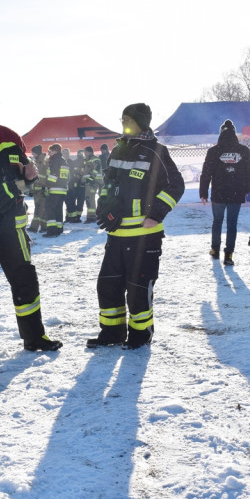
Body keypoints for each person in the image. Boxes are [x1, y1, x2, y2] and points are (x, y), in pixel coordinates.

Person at [0, 79, 62, 355]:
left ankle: (34, 337)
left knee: (25, 279)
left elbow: (26, 174)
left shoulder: (10, 136)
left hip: (12, 224)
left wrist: (27, 178)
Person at [88, 103, 185, 349]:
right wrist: (105, 208)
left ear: (142, 122)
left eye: (129, 119)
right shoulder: (117, 150)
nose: (124, 123)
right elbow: (107, 184)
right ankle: (112, 333)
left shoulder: (157, 151)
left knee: (138, 288)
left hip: (145, 236)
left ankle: (140, 335)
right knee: (108, 284)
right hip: (117, 235)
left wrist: (156, 213)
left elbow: (176, 185)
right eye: (122, 119)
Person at [199, 120, 250, 266]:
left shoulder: (214, 151)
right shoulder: (243, 151)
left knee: (217, 222)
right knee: (232, 224)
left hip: (218, 193)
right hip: (236, 193)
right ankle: (229, 255)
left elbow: (206, 173)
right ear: (234, 134)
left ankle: (215, 250)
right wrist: (246, 189)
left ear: (221, 134)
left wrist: (203, 192)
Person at [43, 144, 69, 237]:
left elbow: (53, 176)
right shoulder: (63, 161)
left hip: (54, 189)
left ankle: (51, 231)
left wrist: (47, 186)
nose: (48, 153)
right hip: (62, 190)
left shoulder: (55, 161)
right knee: (58, 210)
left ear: (55, 151)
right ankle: (59, 229)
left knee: (50, 210)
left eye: (50, 151)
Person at [27, 145, 48, 232]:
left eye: (33, 153)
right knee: (41, 208)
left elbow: (41, 176)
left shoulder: (42, 161)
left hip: (40, 189)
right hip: (37, 189)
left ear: (37, 153)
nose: (32, 154)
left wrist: (43, 187)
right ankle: (44, 227)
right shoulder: (37, 161)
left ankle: (34, 227)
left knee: (38, 208)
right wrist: (32, 190)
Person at [82, 146, 102, 223]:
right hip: (89, 182)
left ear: (89, 152)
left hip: (94, 182)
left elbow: (97, 168)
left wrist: (92, 178)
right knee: (88, 198)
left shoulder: (95, 158)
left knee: (90, 198)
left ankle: (92, 217)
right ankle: (91, 216)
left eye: (85, 152)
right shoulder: (87, 160)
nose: (84, 153)